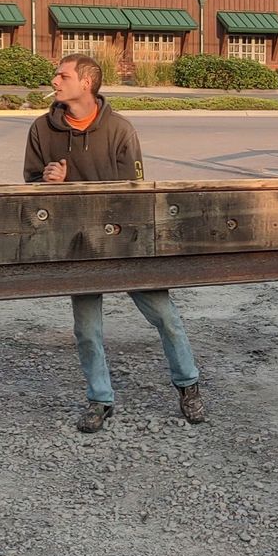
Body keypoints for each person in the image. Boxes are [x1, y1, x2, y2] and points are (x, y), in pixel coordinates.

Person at [24, 53, 206, 433]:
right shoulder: (41, 129)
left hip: (126, 243)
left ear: (86, 83)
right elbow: (30, 188)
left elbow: (134, 192)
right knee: (87, 329)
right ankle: (100, 399)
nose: (54, 81)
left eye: (62, 76)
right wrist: (46, 182)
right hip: (77, 245)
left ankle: (188, 386)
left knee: (166, 317)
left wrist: (74, 185)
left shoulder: (120, 129)